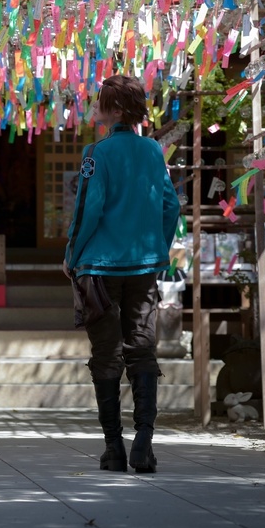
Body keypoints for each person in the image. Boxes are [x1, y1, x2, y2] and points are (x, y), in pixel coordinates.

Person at [63, 75, 179, 474]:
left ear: (114, 110)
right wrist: (155, 248)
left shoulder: (97, 152)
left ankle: (114, 447)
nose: (95, 108)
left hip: (99, 268)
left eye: (100, 103)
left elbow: (86, 210)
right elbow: (170, 207)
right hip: (144, 267)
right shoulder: (153, 151)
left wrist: (71, 255)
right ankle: (144, 443)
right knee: (142, 350)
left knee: (106, 354)